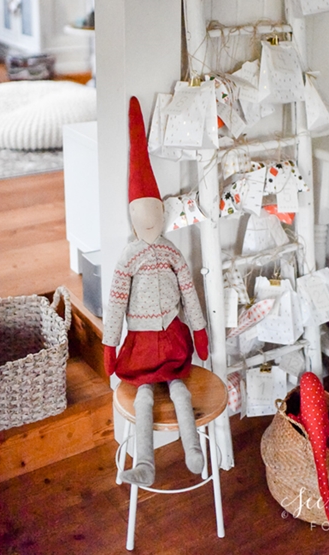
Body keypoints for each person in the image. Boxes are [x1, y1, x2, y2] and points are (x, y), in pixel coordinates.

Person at [102, 96, 209, 486]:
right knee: (145, 396)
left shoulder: (172, 253)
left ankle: (193, 449)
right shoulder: (128, 258)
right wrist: (109, 344)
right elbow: (115, 303)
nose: (149, 222)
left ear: (163, 214)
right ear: (134, 216)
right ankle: (145, 462)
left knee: (180, 390)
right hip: (142, 344)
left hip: (174, 337)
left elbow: (189, 292)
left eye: (155, 214)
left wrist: (199, 331)